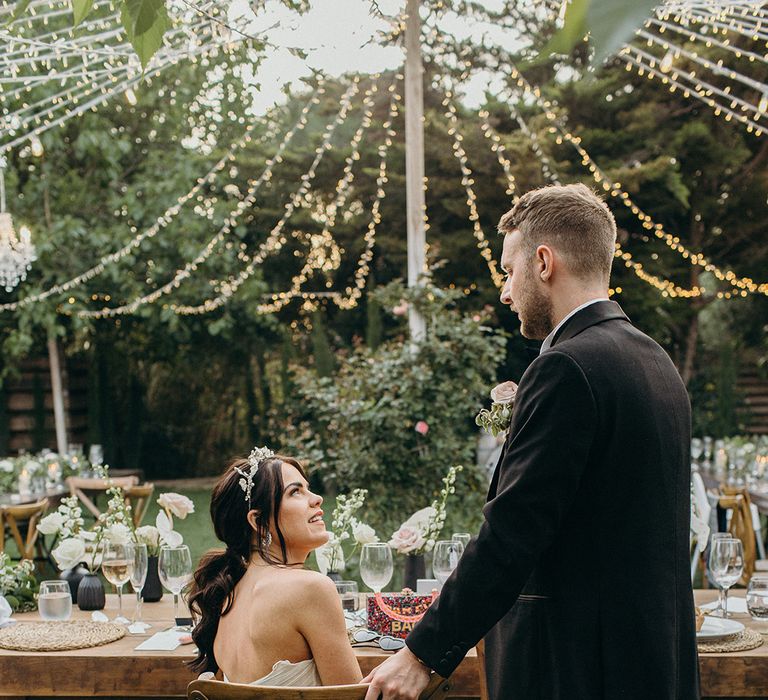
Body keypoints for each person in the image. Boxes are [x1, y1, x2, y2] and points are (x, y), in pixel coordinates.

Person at [363, 183, 699, 700]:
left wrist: (423, 653)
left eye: (508, 270)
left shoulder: (566, 367)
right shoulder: (656, 361)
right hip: (653, 665)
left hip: (576, 672)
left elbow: (512, 533)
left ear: (543, 262)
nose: (505, 291)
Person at [187, 447, 362, 686]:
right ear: (258, 521)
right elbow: (351, 696)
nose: (316, 499)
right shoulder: (311, 589)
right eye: (295, 492)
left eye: (307, 488)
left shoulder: (227, 594)